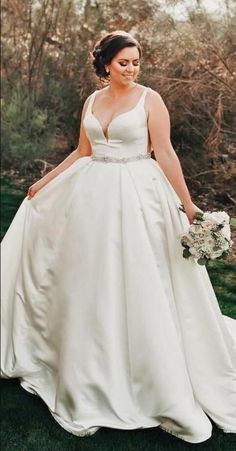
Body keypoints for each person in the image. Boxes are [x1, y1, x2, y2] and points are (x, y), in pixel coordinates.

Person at [1, 30, 236, 443]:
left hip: (138, 195)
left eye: (136, 61)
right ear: (106, 63)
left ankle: (152, 368)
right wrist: (46, 180)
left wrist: (189, 205)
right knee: (89, 276)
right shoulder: (92, 101)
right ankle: (86, 359)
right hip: (92, 193)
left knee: (141, 275)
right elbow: (83, 151)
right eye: (124, 61)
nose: (132, 68)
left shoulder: (151, 100)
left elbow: (164, 152)